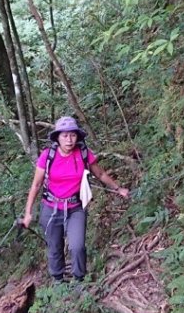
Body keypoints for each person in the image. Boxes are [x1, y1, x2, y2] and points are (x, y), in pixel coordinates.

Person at [22, 116, 130, 284]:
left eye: (72, 135)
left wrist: (118, 189)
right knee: (54, 246)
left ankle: (79, 279)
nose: (69, 139)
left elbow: (100, 174)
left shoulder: (83, 153)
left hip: (75, 207)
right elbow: (36, 185)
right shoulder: (47, 156)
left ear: (77, 136)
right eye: (64, 135)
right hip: (51, 207)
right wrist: (28, 213)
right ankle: (58, 280)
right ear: (57, 137)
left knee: (77, 246)